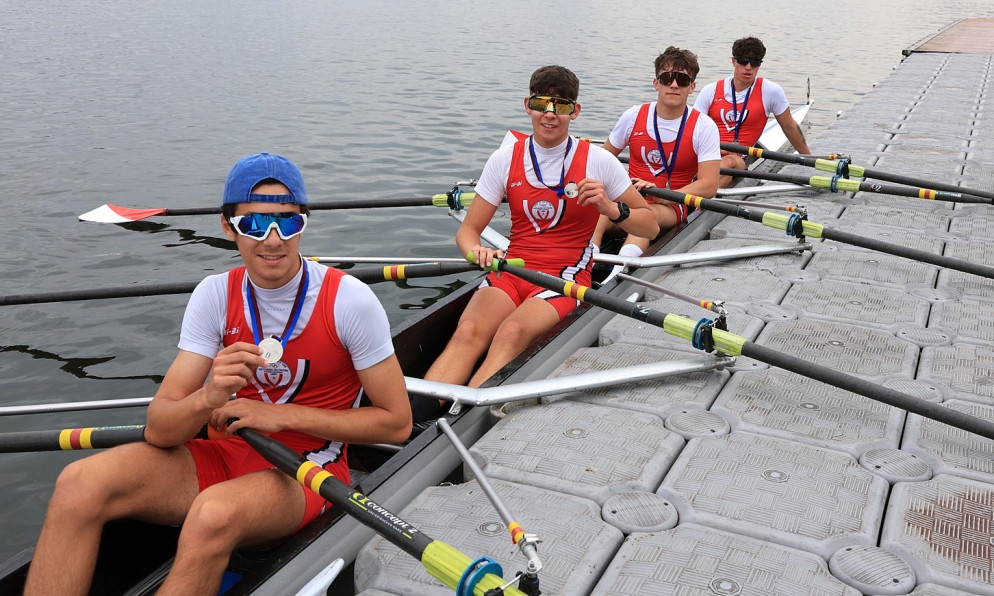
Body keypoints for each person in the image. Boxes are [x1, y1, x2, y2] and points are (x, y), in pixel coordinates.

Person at [24, 153, 412, 595]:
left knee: (212, 515)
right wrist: (208, 397)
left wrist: (285, 417)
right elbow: (160, 429)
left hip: (305, 469)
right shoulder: (213, 296)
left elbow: (396, 423)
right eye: (254, 224)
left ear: (304, 224)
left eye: (287, 223)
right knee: (79, 483)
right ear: (228, 227)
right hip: (225, 455)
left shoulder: (350, 302)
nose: (272, 240)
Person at [410, 65, 657, 421]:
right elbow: (468, 231)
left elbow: (647, 225)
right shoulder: (504, 159)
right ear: (528, 105)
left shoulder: (599, 161)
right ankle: (411, 421)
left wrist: (608, 207)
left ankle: (455, 423)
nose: (551, 114)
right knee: (468, 331)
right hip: (513, 268)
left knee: (511, 332)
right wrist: (475, 251)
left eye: (562, 105)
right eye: (543, 103)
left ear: (576, 111)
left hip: (565, 277)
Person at [591, 46, 721, 268]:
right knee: (597, 207)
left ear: (692, 87)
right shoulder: (633, 116)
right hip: (630, 198)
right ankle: (585, 260)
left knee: (645, 215)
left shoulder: (704, 126)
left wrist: (665, 196)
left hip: (671, 206)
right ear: (656, 82)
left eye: (682, 80)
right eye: (667, 78)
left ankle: (618, 277)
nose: (673, 85)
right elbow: (600, 162)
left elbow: (709, 185)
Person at [692, 36, 811, 187]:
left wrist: (808, 159)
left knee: (729, 162)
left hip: (737, 161)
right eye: (743, 61)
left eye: (754, 63)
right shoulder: (711, 90)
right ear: (733, 61)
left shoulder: (770, 91)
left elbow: (789, 127)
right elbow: (692, 129)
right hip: (707, 157)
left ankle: (692, 194)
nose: (748, 67)